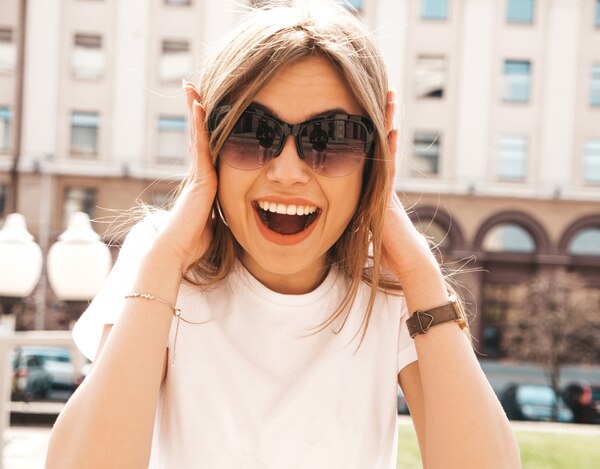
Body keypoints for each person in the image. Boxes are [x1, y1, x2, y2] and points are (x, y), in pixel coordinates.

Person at [46, 1, 521, 468]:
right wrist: (165, 261)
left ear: (376, 158)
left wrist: (420, 273)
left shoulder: (390, 281)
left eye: (332, 137)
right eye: (254, 131)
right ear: (205, 143)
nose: (288, 171)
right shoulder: (164, 257)